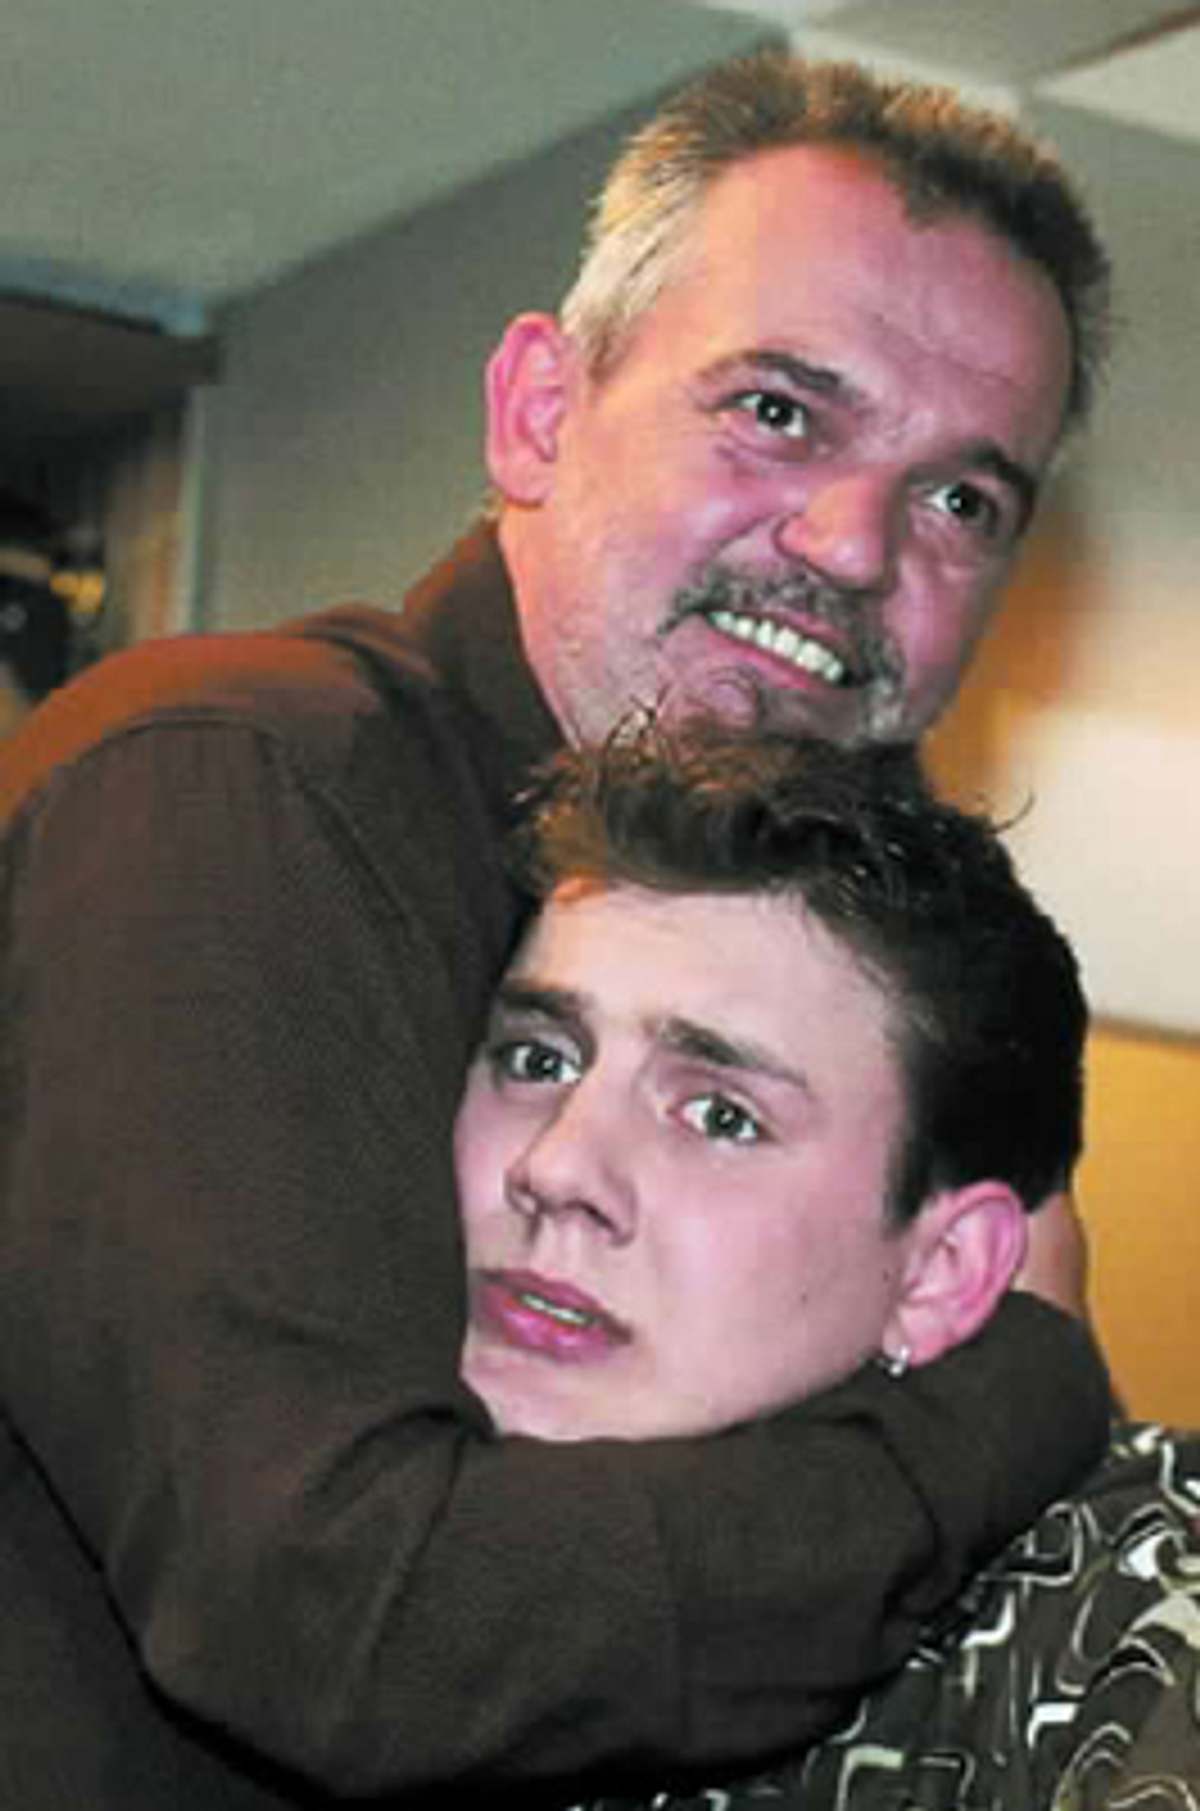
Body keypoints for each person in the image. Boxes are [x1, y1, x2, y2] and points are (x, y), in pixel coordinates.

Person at [1, 49, 1112, 1809]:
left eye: (962, 499)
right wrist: (1010, 1398)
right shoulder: (245, 784)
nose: (852, 544)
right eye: (778, 411)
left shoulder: (879, 1006)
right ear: (536, 410)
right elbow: (348, 1628)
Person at [456, 724, 1193, 1811]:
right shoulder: (313, 1485)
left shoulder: (1128, 1623)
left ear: (941, 1272)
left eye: (721, 1114)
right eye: (539, 1058)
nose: (556, 1167)